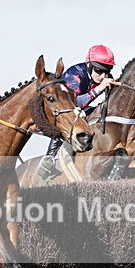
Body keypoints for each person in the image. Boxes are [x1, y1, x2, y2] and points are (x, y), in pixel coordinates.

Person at [38, 45, 116, 178]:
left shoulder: (104, 76)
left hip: (80, 109)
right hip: (62, 111)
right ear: (89, 65)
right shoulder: (75, 75)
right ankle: (50, 157)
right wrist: (98, 89)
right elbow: (73, 105)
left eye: (107, 71)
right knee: (72, 116)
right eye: (99, 70)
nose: (103, 76)